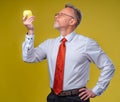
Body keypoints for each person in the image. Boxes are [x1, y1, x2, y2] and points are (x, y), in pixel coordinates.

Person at [22, 4, 115, 102]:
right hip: (53, 97)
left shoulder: (86, 43)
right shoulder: (49, 44)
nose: (56, 16)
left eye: (61, 14)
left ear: (72, 21)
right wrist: (30, 31)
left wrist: (96, 90)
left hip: (76, 98)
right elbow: (28, 58)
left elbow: (108, 66)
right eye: (57, 14)